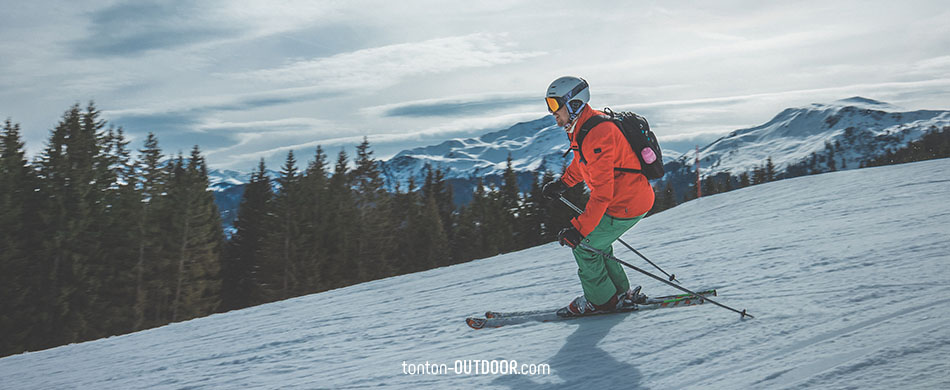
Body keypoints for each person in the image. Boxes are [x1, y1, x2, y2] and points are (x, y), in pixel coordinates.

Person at [541, 76, 655, 316]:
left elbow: (602, 194)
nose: (552, 113)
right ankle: (619, 293)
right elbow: (582, 163)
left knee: (585, 247)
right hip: (628, 199)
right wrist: (563, 183)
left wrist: (579, 230)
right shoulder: (583, 127)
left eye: (554, 105)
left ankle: (601, 301)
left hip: (626, 204)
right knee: (598, 245)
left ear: (573, 103)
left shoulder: (596, 133)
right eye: (548, 105)